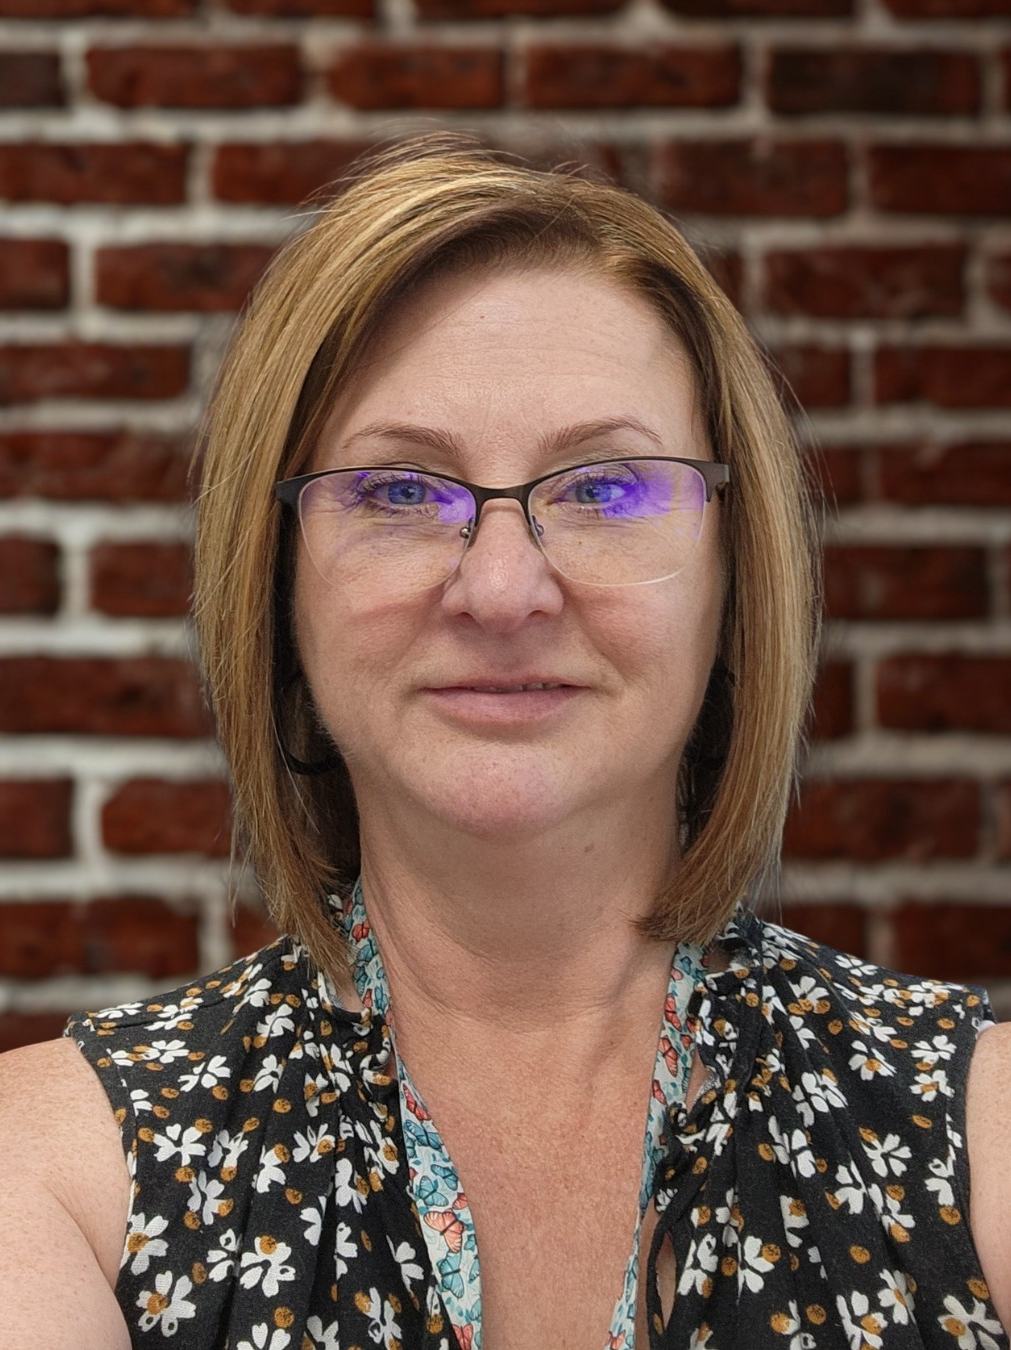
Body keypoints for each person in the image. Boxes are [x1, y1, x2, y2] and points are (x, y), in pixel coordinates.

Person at [1, 135, 1008, 1350]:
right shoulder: (56, 1180)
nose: (501, 589)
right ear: (276, 588)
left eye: (604, 489)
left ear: (734, 578)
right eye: (399, 494)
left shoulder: (982, 1134)